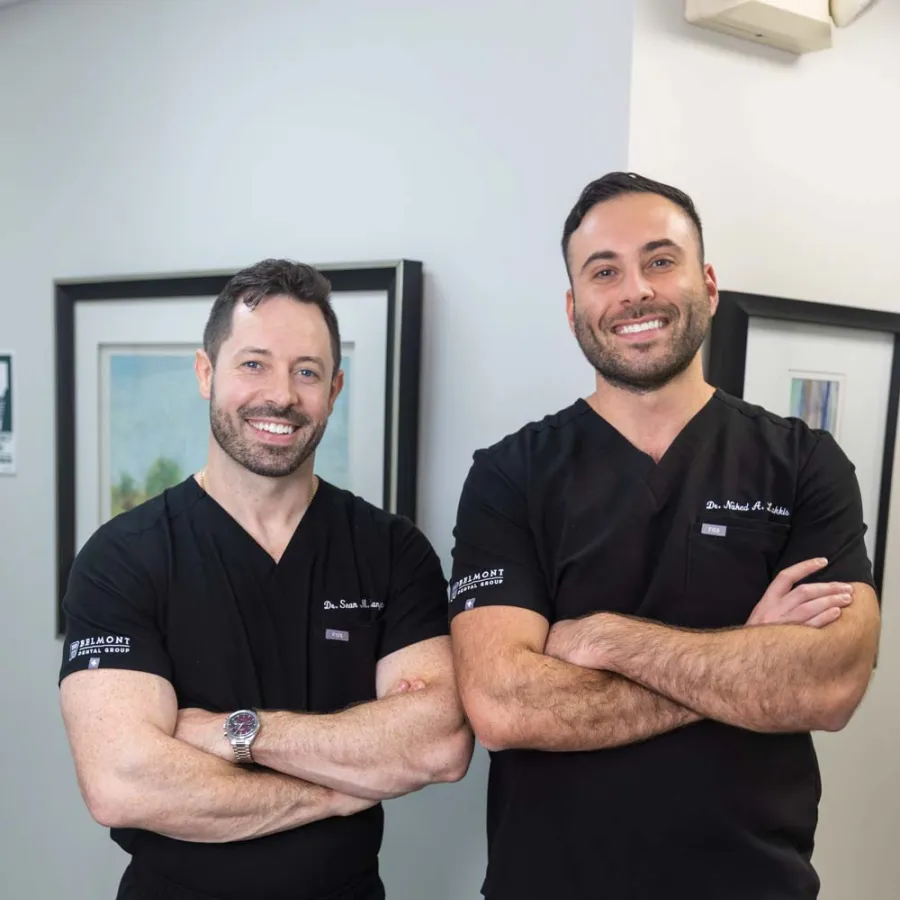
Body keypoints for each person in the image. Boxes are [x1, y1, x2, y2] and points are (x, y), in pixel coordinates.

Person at [448, 172, 881, 900]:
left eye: (660, 260)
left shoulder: (804, 462)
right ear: (574, 308)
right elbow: (503, 705)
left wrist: (605, 639)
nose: (636, 291)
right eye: (604, 272)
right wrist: (748, 659)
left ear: (707, 285)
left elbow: (830, 684)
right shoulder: (509, 475)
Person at [59, 259, 473, 900]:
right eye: (253, 364)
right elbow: (122, 783)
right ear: (206, 373)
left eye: (306, 372)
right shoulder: (122, 558)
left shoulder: (391, 551)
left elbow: (439, 743)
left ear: (334, 388)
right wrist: (339, 791)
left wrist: (233, 733)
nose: (281, 395)